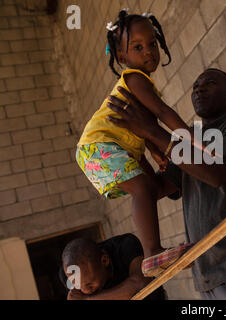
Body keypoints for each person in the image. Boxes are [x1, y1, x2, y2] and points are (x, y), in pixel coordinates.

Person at [106, 68, 226, 300]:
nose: (199, 88)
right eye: (196, 86)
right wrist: (135, 148)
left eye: (209, 83)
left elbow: (215, 174)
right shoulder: (190, 142)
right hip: (206, 274)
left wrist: (153, 130)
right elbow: (157, 189)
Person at [75, 9, 194, 277]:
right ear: (122, 57)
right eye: (137, 47)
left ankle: (181, 180)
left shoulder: (140, 82)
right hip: (100, 145)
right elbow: (162, 113)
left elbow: (147, 131)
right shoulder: (135, 78)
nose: (148, 51)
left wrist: (159, 155)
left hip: (116, 147)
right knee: (142, 188)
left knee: (150, 187)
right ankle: (152, 252)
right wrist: (189, 138)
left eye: (152, 44)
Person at [59, 234, 166, 300]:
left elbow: (140, 284)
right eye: (78, 286)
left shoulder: (125, 245)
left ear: (104, 261)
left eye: (90, 284)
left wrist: (87, 299)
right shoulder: (68, 273)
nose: (85, 291)